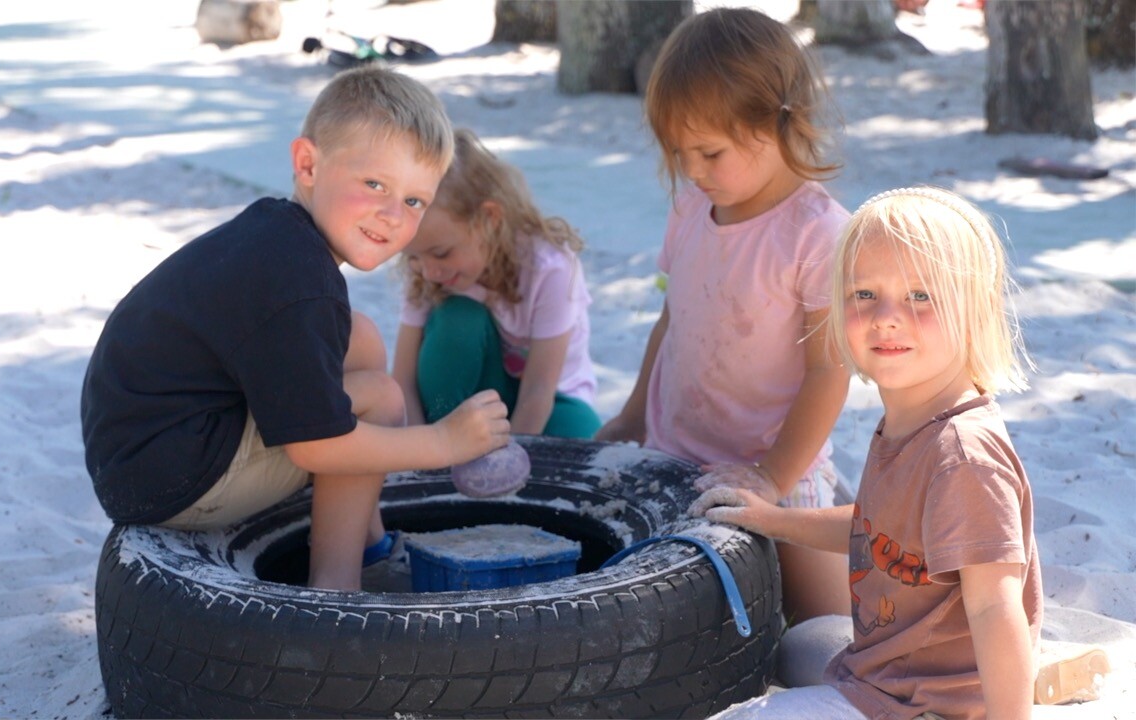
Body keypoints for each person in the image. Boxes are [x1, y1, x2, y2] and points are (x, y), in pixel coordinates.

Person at [80, 66, 511, 592]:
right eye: (374, 184)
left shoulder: (278, 237)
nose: (393, 215)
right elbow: (318, 448)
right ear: (308, 164)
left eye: (414, 200)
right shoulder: (302, 284)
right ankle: (336, 587)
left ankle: (368, 541)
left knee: (363, 338)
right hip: (174, 480)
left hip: (146, 449)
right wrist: (443, 442)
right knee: (377, 399)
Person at [699, 186, 1044, 718]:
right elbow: (878, 530)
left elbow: (995, 608)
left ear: (973, 309)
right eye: (864, 294)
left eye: (921, 295)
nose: (887, 316)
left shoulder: (964, 455)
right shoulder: (912, 418)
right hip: (883, 670)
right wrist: (773, 520)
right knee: (797, 645)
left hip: (926, 703)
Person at [595, 7, 852, 622]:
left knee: (826, 635)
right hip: (676, 455)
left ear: (779, 122)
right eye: (680, 152)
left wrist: (770, 478)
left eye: (709, 151)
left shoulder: (818, 233)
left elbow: (828, 374)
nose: (691, 170)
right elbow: (673, 318)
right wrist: (632, 416)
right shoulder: (691, 209)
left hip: (778, 475)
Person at [392, 128, 601, 438]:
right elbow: (403, 378)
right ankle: (444, 429)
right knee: (456, 320)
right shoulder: (427, 262)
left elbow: (538, 390)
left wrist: (505, 462)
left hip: (552, 397)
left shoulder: (550, 267)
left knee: (581, 441)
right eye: (413, 257)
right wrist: (422, 444)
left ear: (489, 218)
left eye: (441, 253)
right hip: (475, 397)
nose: (429, 271)